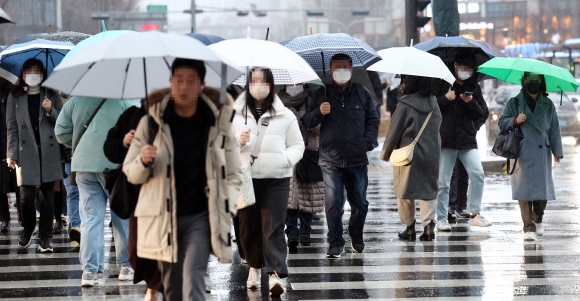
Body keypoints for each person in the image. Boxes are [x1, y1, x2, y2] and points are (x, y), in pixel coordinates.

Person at [123, 58, 243, 301]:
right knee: (173, 285)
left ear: (201, 84)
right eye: (179, 80)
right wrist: (143, 160)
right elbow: (131, 172)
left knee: (193, 275)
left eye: (191, 81)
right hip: (163, 217)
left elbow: (233, 172)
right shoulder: (152, 122)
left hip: (200, 217)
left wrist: (226, 206)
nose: (184, 87)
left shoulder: (216, 121)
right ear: (171, 82)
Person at [233, 67, 304, 296]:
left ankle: (276, 273)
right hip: (246, 178)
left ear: (271, 84)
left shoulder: (284, 114)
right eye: (253, 80)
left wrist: (286, 160)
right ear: (247, 83)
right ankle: (254, 266)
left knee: (273, 226)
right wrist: (237, 141)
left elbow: (298, 145)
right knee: (247, 227)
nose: (258, 84)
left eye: (263, 80)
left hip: (276, 179)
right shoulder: (234, 114)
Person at [303, 53, 380, 258]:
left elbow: (373, 120)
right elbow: (307, 121)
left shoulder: (362, 93)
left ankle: (356, 233)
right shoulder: (322, 93)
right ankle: (335, 242)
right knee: (333, 203)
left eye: (345, 67)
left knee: (360, 204)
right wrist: (319, 111)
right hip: (330, 159)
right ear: (330, 70)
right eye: (337, 68)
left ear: (352, 69)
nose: (341, 71)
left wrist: (366, 142)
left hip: (357, 158)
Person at [55, 95, 132, 287]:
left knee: (90, 218)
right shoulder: (123, 100)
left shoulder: (75, 101)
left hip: (83, 164)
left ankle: (89, 271)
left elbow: (60, 132)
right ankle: (126, 266)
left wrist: (79, 142)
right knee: (121, 218)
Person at [104, 89, 168, 301]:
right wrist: (124, 143)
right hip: (138, 194)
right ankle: (153, 283)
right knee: (135, 249)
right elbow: (109, 149)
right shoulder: (131, 115)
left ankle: (161, 287)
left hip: (169, 195)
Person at [6, 58, 63, 252]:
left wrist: (50, 110)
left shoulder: (51, 93)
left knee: (47, 198)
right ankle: (28, 229)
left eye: (36, 71)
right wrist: (11, 154)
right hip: (25, 153)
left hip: (48, 151)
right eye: (29, 70)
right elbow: (12, 128)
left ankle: (45, 238)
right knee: (26, 197)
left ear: (42, 74)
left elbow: (62, 123)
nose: (32, 75)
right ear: (23, 74)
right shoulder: (14, 97)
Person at [498, 72, 563, 241]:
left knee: (542, 193)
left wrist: (558, 152)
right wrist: (515, 120)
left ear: (541, 83)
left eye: (536, 81)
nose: (533, 84)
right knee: (524, 191)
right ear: (524, 82)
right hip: (522, 151)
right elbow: (501, 122)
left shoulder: (548, 104)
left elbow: (554, 129)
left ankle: (538, 217)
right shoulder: (514, 102)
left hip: (542, 152)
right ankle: (528, 227)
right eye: (530, 81)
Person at [435, 51, 492, 231]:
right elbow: (433, 108)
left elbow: (482, 113)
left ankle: (475, 213)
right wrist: (446, 99)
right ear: (455, 65)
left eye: (469, 68)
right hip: (446, 140)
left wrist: (470, 102)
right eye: (462, 67)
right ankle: (442, 218)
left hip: (467, 140)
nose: (465, 71)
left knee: (478, 174)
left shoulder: (474, 87)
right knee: (443, 181)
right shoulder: (443, 84)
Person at [381, 75, 442, 241]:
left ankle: (409, 227)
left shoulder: (405, 104)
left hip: (408, 154)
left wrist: (385, 153)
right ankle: (428, 226)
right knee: (428, 190)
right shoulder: (433, 103)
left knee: (404, 190)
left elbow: (394, 131)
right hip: (431, 153)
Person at [278, 83, 324, 251]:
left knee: (309, 193)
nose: (294, 86)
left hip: (309, 152)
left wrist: (311, 120)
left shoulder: (313, 99)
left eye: (297, 83)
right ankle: (291, 231)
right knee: (289, 195)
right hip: (286, 152)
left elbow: (320, 128)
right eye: (291, 83)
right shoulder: (277, 101)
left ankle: (305, 231)